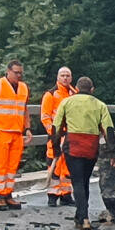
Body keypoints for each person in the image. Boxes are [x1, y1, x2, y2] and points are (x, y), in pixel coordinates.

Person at [48, 76, 115, 230]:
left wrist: (55, 148)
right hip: (91, 147)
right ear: (92, 90)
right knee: (84, 181)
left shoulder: (66, 102)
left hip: (73, 145)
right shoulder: (100, 105)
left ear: (77, 89)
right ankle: (79, 216)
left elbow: (56, 126)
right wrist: (113, 152)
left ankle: (84, 218)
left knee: (77, 182)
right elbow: (108, 129)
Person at [0, 60, 29, 210]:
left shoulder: (23, 87)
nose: (18, 75)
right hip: (1, 131)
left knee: (12, 166)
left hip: (16, 132)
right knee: (1, 165)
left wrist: (27, 128)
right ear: (8, 71)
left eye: (20, 72)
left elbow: (25, 108)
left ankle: (8, 194)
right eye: (16, 72)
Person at [38, 67, 76, 207]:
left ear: (71, 78)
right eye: (62, 75)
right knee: (54, 166)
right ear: (58, 77)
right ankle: (52, 195)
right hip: (55, 135)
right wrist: (53, 133)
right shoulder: (50, 94)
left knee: (67, 166)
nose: (65, 78)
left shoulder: (74, 94)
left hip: (70, 135)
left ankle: (66, 194)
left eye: (67, 75)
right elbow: (45, 117)